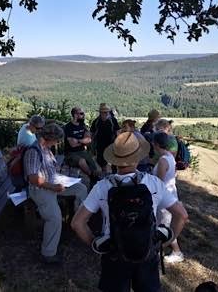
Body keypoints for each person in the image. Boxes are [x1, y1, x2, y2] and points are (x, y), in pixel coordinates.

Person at [71, 132, 188, 292]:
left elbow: (77, 223)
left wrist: (97, 244)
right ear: (138, 157)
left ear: (114, 159)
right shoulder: (154, 183)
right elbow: (181, 215)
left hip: (114, 252)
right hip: (147, 250)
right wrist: (166, 241)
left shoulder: (102, 186)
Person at [25, 123, 88, 264]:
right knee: (54, 218)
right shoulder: (33, 151)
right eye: (57, 140)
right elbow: (33, 179)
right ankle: (48, 254)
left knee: (81, 188)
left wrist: (61, 178)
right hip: (41, 190)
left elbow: (50, 169)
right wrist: (54, 187)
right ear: (49, 138)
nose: (58, 143)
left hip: (53, 184)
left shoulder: (46, 149)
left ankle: (79, 222)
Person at [152, 132, 185, 263]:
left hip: (164, 196)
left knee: (164, 225)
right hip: (171, 192)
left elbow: (159, 182)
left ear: (156, 144)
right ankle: (161, 249)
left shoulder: (162, 160)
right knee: (165, 223)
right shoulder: (170, 156)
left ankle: (177, 252)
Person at [64, 107, 101, 180]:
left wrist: (78, 140)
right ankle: (93, 177)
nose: (83, 115)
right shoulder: (68, 127)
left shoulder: (82, 125)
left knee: (98, 169)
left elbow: (89, 140)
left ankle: (94, 178)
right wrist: (83, 141)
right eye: (81, 114)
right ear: (75, 115)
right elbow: (72, 144)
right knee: (82, 161)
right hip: (71, 153)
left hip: (82, 151)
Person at [91, 103, 121, 173]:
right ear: (100, 112)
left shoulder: (113, 120)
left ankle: (114, 175)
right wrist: (92, 146)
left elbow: (118, 131)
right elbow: (92, 134)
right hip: (100, 146)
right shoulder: (96, 122)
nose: (106, 113)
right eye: (104, 112)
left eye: (107, 112)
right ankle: (104, 176)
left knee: (113, 163)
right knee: (102, 163)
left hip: (111, 144)